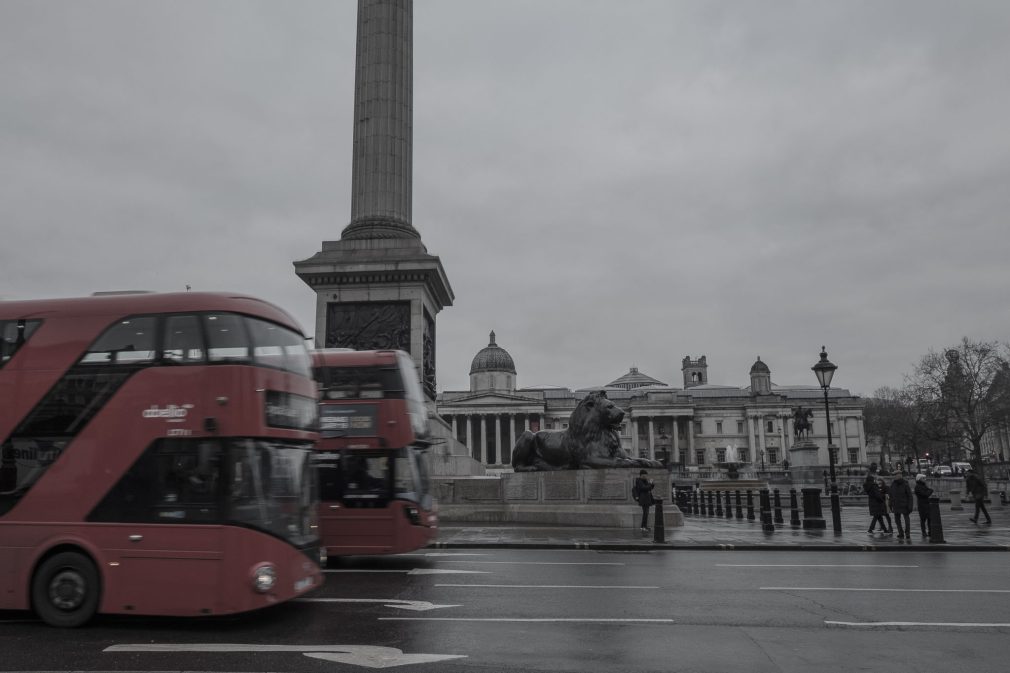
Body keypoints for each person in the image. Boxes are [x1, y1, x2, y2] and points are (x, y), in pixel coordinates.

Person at [864, 464, 890, 535]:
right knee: (876, 517)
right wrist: (882, 499)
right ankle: (870, 530)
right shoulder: (874, 486)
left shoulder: (868, 486)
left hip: (872, 503)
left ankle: (885, 530)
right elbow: (877, 495)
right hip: (877, 503)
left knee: (879, 517)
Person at [889, 472, 913, 539]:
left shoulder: (905, 484)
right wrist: (890, 505)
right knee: (897, 520)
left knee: (906, 520)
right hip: (896, 505)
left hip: (904, 505)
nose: (894, 476)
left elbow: (910, 496)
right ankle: (901, 533)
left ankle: (907, 533)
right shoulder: (893, 485)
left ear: (900, 476)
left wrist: (910, 506)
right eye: (894, 475)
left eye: (896, 475)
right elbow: (891, 496)